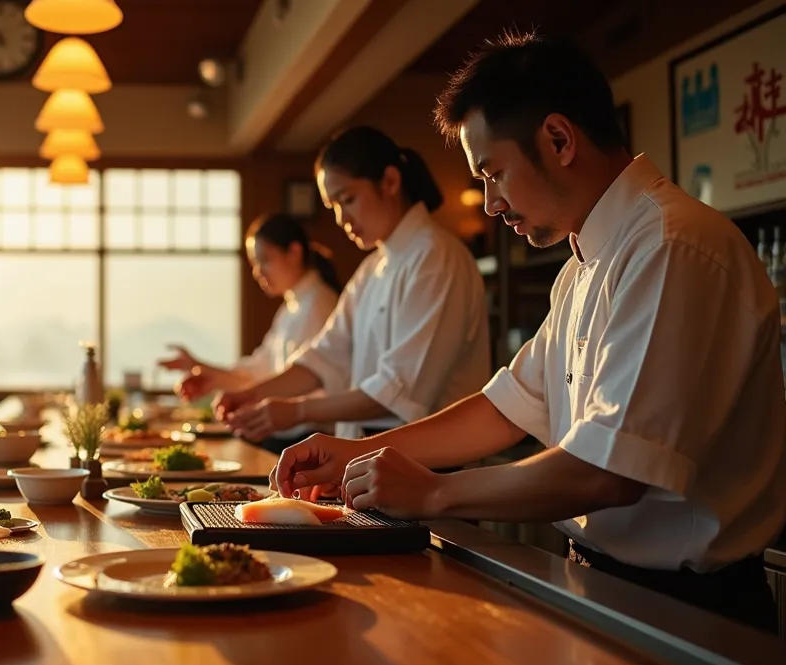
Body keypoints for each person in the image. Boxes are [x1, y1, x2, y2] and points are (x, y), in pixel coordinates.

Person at [270, 32, 786, 633]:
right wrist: (355, 453)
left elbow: (608, 471)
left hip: (688, 606)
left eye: (493, 173)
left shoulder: (673, 246)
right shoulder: (582, 266)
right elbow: (505, 408)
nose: (489, 204)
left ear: (559, 140)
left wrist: (436, 494)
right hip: (603, 581)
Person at [213, 126, 490, 450]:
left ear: (389, 182)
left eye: (348, 199)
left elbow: (397, 391)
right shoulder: (372, 267)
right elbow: (325, 356)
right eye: (334, 207)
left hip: (431, 463)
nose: (342, 218)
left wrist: (297, 410)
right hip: (369, 454)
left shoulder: (436, 258)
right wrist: (252, 394)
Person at [160, 213, 340, 452]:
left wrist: (233, 389)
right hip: (287, 435)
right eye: (254, 264)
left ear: (294, 253)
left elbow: (304, 379)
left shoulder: (317, 305)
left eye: (264, 260)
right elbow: (259, 369)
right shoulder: (293, 306)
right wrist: (204, 370)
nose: (258, 272)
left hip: (306, 439)